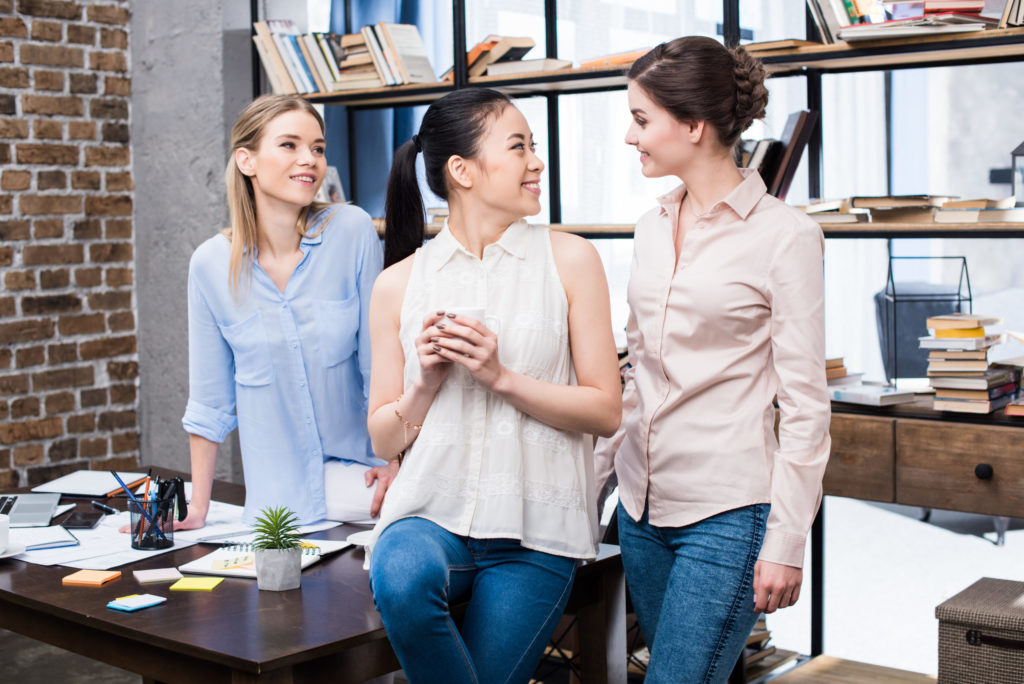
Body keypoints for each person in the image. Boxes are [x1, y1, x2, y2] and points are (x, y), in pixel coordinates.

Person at [593, 37, 832, 683]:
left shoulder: (786, 237)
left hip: (728, 512)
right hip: (641, 509)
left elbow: (808, 407)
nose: (629, 136)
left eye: (642, 119)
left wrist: (787, 544)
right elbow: (637, 376)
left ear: (693, 126)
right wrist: (590, 487)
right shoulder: (649, 227)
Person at [365, 88, 622, 684]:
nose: (537, 162)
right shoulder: (399, 284)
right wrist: (424, 385)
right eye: (519, 147)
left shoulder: (572, 260)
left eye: (534, 146)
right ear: (462, 171)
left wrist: (500, 377)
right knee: (399, 579)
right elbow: (383, 438)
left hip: (537, 532)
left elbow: (605, 410)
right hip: (428, 516)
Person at [178, 94, 395, 529]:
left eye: (317, 148)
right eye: (289, 145)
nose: (310, 160)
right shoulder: (209, 265)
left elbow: (383, 369)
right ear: (247, 160)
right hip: (279, 512)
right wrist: (196, 509)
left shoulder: (352, 232)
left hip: (367, 489)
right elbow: (210, 402)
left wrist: (396, 460)